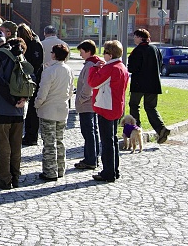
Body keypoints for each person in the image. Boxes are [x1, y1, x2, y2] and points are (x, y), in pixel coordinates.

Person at [0, 31, 27, 190]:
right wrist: (22, 99)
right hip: (19, 110)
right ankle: (15, 176)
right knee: (16, 145)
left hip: (3, 108)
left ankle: (4, 178)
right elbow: (28, 78)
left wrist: (11, 100)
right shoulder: (19, 53)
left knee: (4, 146)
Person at [88, 40, 130, 183]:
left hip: (106, 106)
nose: (103, 55)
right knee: (112, 140)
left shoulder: (110, 67)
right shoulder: (121, 66)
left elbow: (93, 83)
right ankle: (114, 169)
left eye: (105, 52)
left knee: (107, 141)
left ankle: (108, 172)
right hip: (117, 106)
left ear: (110, 54)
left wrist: (94, 69)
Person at [34, 44, 74, 182]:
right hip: (62, 109)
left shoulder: (49, 71)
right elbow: (70, 91)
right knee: (59, 141)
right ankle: (61, 169)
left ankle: (50, 171)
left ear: (54, 55)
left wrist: (37, 104)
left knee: (49, 142)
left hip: (48, 110)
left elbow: (42, 91)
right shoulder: (68, 70)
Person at [128, 28, 171, 144]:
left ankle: (136, 129)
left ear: (140, 38)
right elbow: (160, 63)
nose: (134, 39)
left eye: (135, 36)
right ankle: (161, 129)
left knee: (134, 105)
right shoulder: (155, 48)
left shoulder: (137, 50)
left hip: (139, 85)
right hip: (153, 84)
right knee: (151, 107)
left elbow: (132, 68)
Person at [73, 40, 103, 170]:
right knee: (93, 131)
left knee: (88, 132)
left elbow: (88, 85)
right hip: (92, 103)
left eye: (82, 52)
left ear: (88, 51)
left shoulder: (90, 64)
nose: (80, 55)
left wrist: (81, 99)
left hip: (86, 104)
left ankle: (90, 159)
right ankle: (93, 157)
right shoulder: (94, 63)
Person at [18, 23, 44, 146]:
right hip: (33, 78)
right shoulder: (35, 43)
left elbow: (36, 64)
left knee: (32, 111)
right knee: (31, 110)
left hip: (34, 79)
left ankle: (31, 136)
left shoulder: (35, 45)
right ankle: (30, 135)